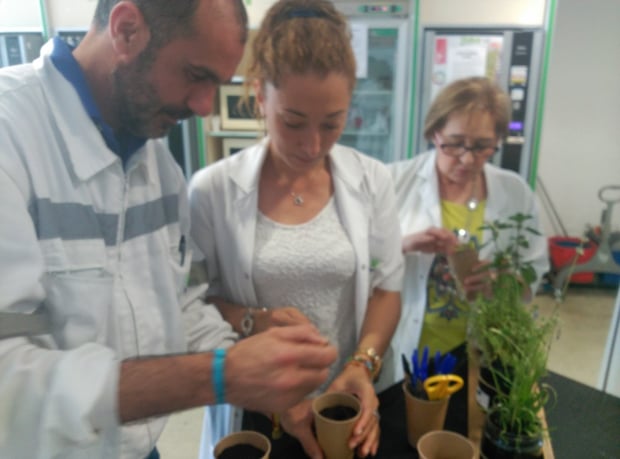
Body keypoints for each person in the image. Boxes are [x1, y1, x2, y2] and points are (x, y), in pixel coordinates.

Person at [0, 1, 338, 458]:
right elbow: (8, 383)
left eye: (217, 86)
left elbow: (182, 303)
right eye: (195, 75)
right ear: (126, 30)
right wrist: (219, 375)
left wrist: (261, 377)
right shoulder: (13, 139)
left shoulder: (157, 164)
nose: (202, 107)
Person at [188, 1, 404, 457]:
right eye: (293, 122)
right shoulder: (212, 191)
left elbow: (387, 288)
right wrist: (254, 320)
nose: (313, 145)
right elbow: (193, 304)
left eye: (333, 123)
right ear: (259, 94)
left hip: (344, 407)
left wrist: (363, 363)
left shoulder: (372, 180)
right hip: (254, 408)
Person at [385, 76, 549, 384]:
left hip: (480, 351)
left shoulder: (515, 193)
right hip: (407, 346)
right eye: (455, 143)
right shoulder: (393, 182)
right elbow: (361, 259)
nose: (467, 158)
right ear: (435, 133)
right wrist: (403, 244)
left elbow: (535, 268)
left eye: (482, 147)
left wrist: (503, 283)